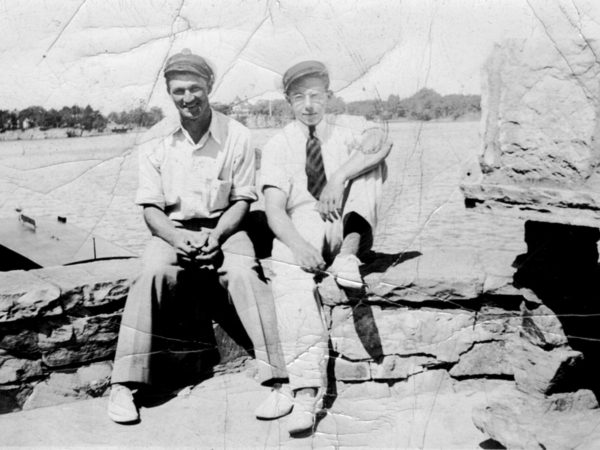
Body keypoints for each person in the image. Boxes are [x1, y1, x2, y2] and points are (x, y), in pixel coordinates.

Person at [107, 49, 288, 424]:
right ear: (169, 93)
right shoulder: (155, 138)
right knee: (152, 273)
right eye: (179, 91)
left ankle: (281, 380)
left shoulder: (236, 134)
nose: (188, 98)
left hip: (226, 229)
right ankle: (124, 386)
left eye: (195, 88)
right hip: (172, 232)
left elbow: (242, 200)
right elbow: (150, 209)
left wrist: (219, 235)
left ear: (209, 86)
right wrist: (175, 238)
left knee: (243, 274)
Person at [260, 60, 391, 435]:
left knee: (372, 163)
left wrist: (339, 177)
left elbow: (384, 142)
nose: (309, 105)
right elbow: (273, 210)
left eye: (316, 95)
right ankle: (305, 392)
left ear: (329, 96)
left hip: (345, 223)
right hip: (302, 225)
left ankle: (349, 258)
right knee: (289, 278)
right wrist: (299, 248)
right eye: (299, 97)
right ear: (288, 101)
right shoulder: (278, 144)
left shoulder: (348, 128)